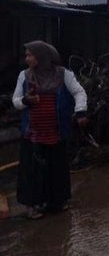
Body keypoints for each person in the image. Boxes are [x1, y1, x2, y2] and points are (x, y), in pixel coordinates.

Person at [12, 41, 88, 219]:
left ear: (41, 57)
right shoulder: (24, 76)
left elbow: (79, 92)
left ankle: (57, 203)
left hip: (57, 131)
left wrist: (80, 111)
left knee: (57, 168)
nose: (26, 59)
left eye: (29, 55)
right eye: (27, 55)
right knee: (32, 171)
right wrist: (25, 101)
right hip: (33, 134)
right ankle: (32, 206)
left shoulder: (64, 74)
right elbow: (15, 100)